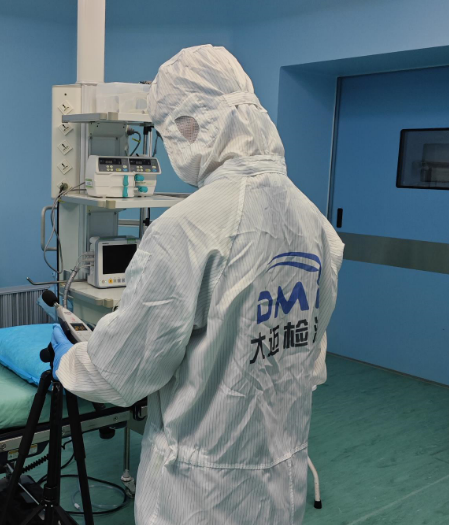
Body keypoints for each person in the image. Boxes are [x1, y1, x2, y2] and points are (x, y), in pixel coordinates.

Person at [52, 45, 344, 525]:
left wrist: (70, 358)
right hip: (280, 478)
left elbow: (122, 372)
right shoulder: (313, 222)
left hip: (200, 491)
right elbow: (309, 352)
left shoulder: (187, 228)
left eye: (172, 133)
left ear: (190, 126)